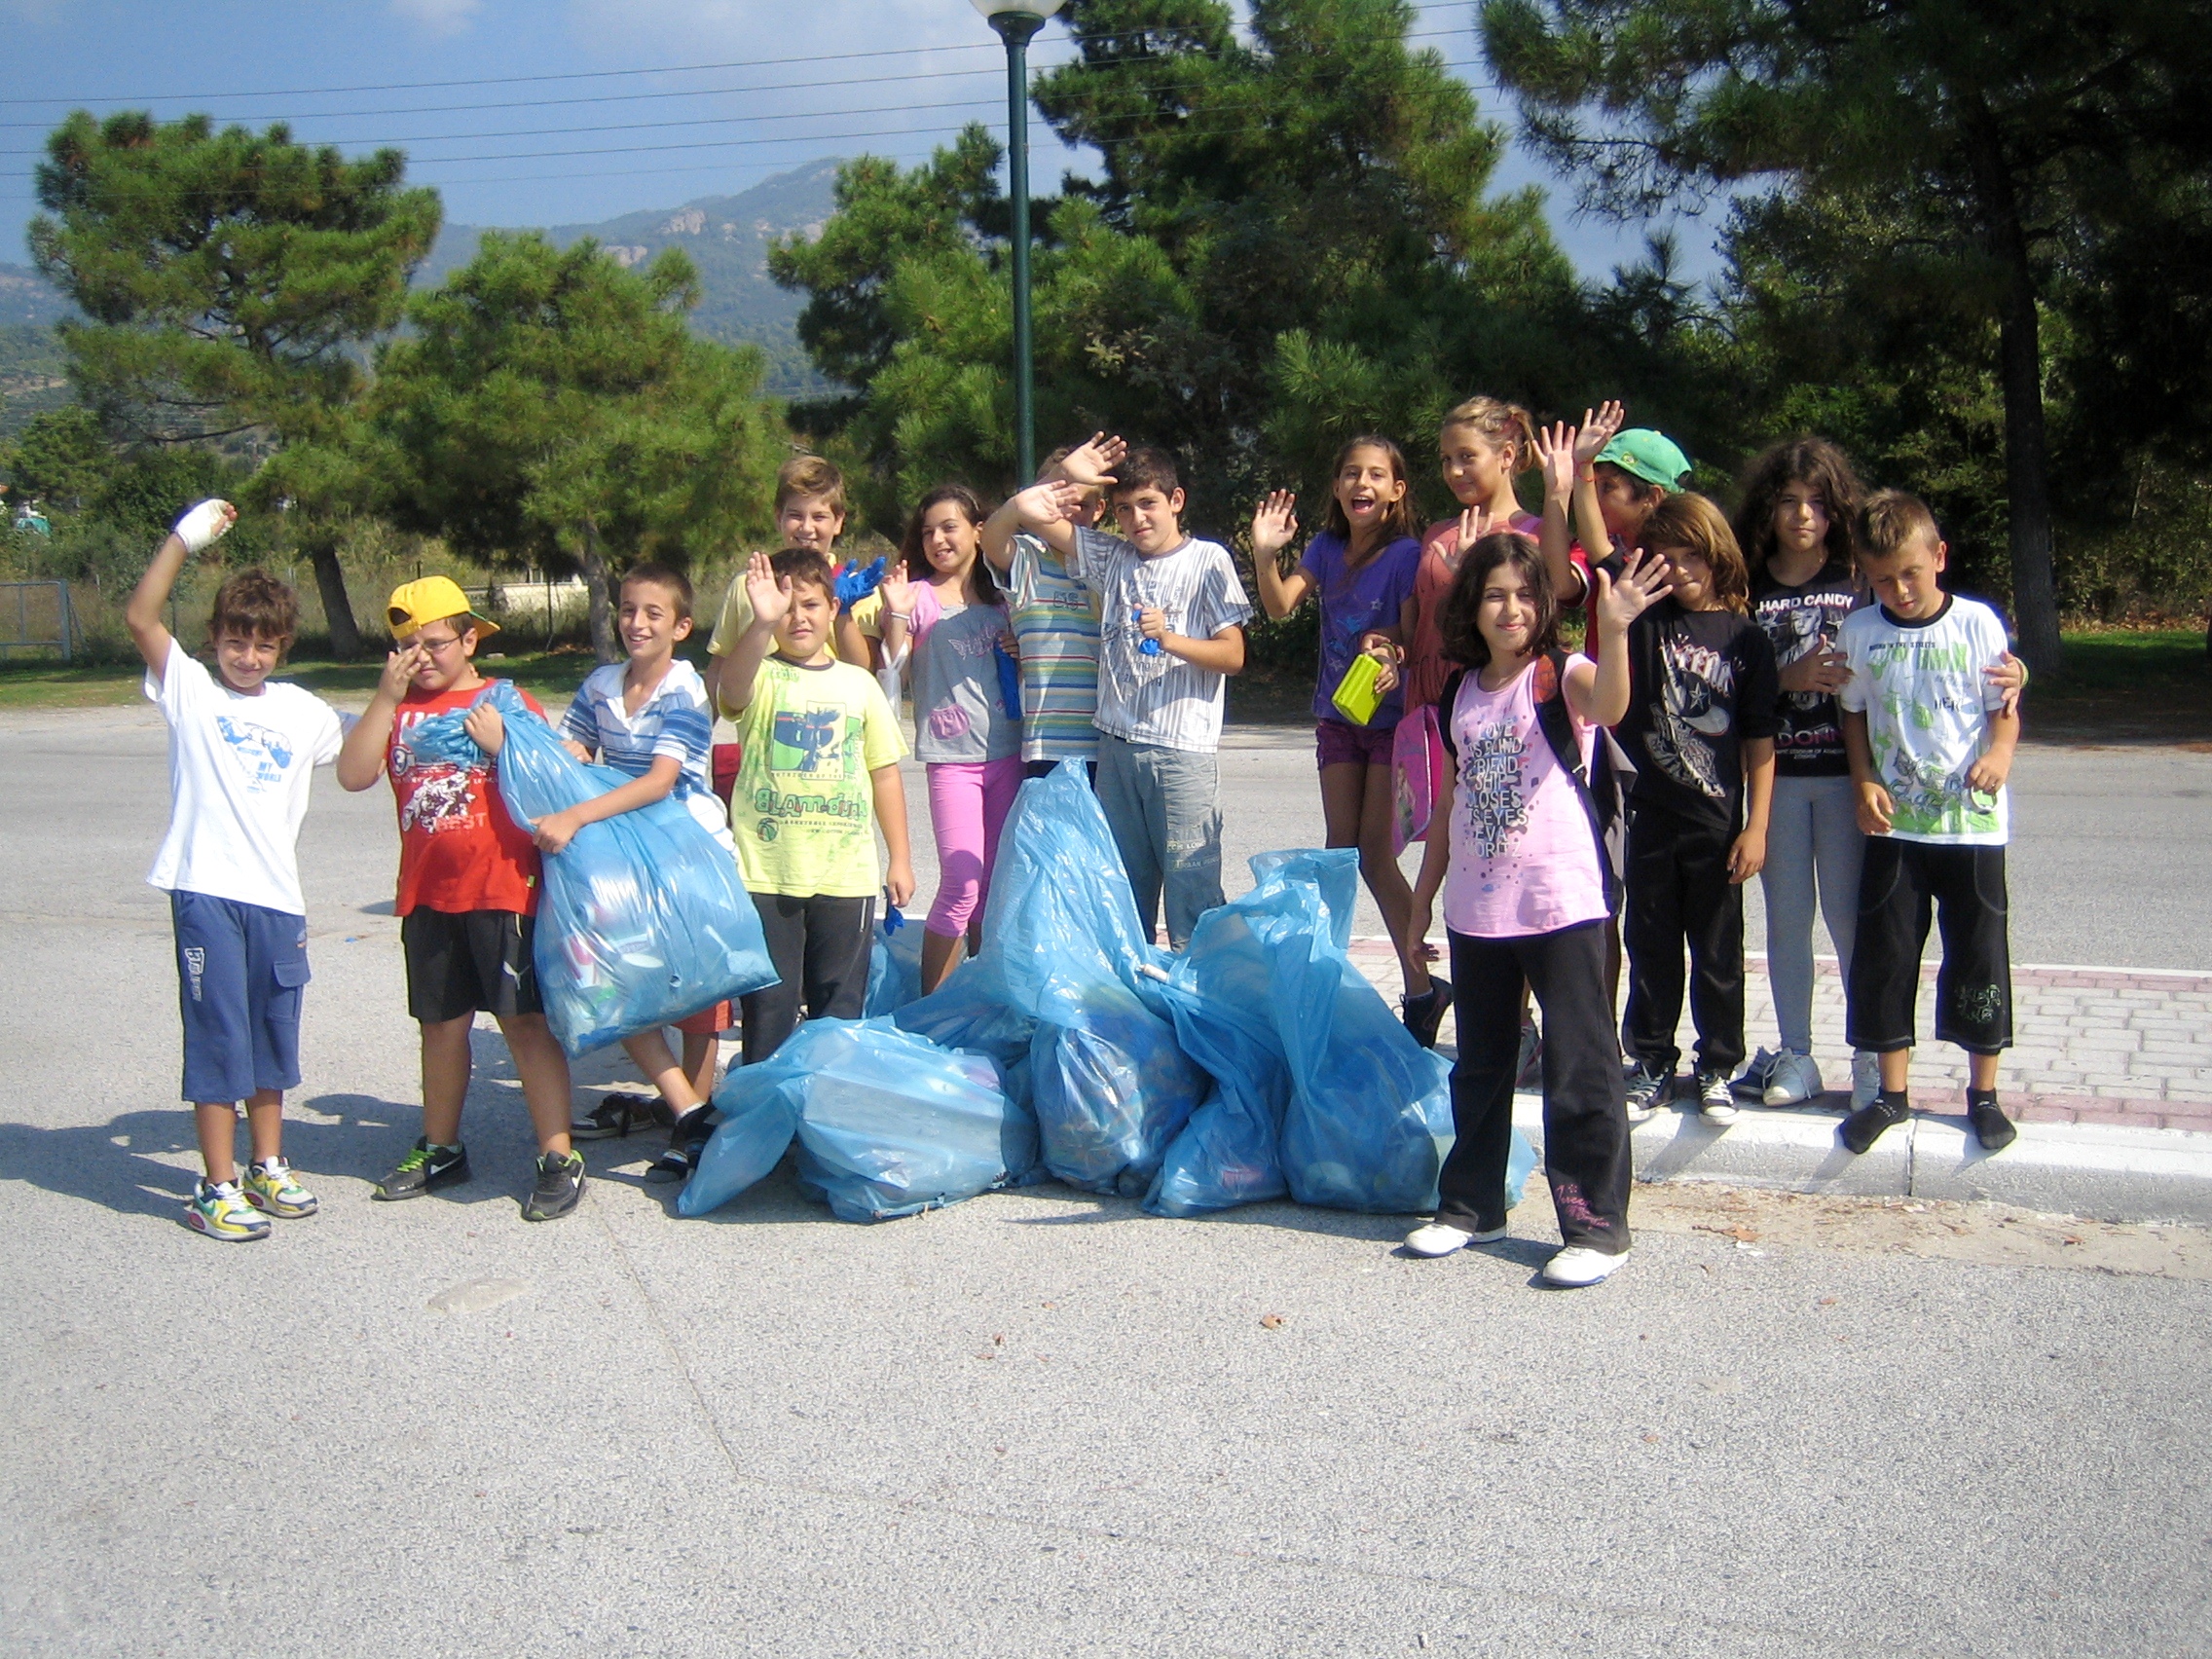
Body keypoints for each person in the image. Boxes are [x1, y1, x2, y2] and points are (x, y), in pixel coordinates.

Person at [1402, 531, 1671, 1287]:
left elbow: (1613, 703)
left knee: (1580, 1067)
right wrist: (1421, 904)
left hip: (1562, 901)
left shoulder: (1562, 676)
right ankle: (1471, 1207)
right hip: (1478, 908)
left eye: (1525, 594)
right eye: (1495, 595)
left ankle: (1595, 1227)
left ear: (1543, 606)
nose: (1511, 608)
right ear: (1472, 608)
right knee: (1480, 1064)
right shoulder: (1458, 692)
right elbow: (1450, 806)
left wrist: (1613, 630)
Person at [334, 577, 586, 1223]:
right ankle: (442, 1146)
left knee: (523, 1024)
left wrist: (507, 742)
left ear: (471, 638)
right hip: (427, 894)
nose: (422, 656)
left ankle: (558, 1155)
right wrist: (385, 698)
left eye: (436, 642)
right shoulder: (400, 707)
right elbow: (354, 774)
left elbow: (556, 775)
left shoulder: (502, 698)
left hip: (503, 888)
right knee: (440, 1025)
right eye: (407, 646)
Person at [127, 499, 346, 1242]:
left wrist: (395, 690)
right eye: (233, 642)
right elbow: (141, 617)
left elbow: (355, 762)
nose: (246, 657)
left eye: (262, 646)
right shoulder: (190, 691)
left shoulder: (302, 710)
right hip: (209, 893)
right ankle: (214, 1185)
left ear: (282, 647)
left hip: (277, 899)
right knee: (221, 1035)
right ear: (214, 640)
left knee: (272, 1034)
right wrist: (184, 537)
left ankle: (267, 1162)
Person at [1835, 492, 2023, 1156]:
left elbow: (2005, 705)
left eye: (1910, 573)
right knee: (1886, 958)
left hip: (1970, 829)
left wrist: (2000, 754)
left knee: (1978, 957)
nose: (1899, 589)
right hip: (1896, 831)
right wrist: (1863, 779)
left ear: (1938, 557)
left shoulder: (1977, 624)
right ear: (1865, 575)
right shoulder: (1860, 631)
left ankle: (1984, 1094)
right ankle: (1891, 1094)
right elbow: (1852, 714)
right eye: (1883, 578)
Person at [1010, 446, 1252, 949]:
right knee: (1123, 899)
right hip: (1116, 748)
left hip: (1181, 752)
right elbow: (1030, 510)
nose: (1137, 519)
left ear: (1176, 500)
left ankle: (1201, 1011)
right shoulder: (1111, 557)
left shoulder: (1209, 560)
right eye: (1123, 509)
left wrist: (1171, 640)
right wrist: (1068, 476)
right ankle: (1135, 1011)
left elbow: (1233, 655)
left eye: (1147, 504)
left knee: (1193, 901)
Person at [544, 563, 735, 1172]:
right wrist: (557, 752)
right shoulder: (600, 683)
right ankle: (687, 1111)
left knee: (698, 990)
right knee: (619, 982)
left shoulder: (686, 688)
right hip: (622, 857)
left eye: (653, 613)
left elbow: (659, 781)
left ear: (681, 626)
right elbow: (570, 747)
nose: (637, 623)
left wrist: (575, 815)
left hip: (686, 853)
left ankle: (695, 1113)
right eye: (628, 609)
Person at [719, 548, 915, 1085]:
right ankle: (764, 1125)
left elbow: (885, 773)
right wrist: (759, 623)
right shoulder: (759, 675)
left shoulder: (859, 684)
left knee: (839, 1009)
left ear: (833, 608)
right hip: (767, 873)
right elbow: (730, 692)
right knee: (769, 1012)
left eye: (809, 604)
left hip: (844, 877)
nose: (797, 618)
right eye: (784, 607)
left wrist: (900, 857)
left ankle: (826, 1117)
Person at [1614, 493, 1780, 1125]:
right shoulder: (1644, 625)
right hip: (1651, 817)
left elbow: (1760, 743)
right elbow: (1602, 552)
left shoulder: (1747, 641)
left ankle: (1717, 1067)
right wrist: (1572, 481)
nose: (1681, 571)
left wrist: (1757, 826)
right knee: (1650, 944)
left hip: (1719, 828)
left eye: (1693, 558)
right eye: (1667, 559)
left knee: (1718, 953)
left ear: (1718, 557)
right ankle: (1652, 1062)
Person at [1250, 434, 1425, 1013]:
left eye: (1376, 475)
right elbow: (1279, 606)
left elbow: (1411, 633)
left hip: (1389, 721)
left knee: (1375, 855)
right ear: (1337, 487)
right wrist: (1264, 554)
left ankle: (1421, 985)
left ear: (1397, 491)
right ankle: (1322, 986)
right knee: (1337, 853)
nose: (1362, 484)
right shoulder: (1325, 547)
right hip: (1336, 717)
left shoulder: (1405, 555)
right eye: (1351, 473)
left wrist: (1389, 654)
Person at [1731, 437, 1878, 1110]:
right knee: (1788, 923)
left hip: (1847, 775)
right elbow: (1728, 684)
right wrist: (1787, 678)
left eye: (1817, 503)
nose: (1802, 516)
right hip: (1779, 778)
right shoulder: (1749, 586)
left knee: (1850, 922)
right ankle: (1796, 1053)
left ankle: (1872, 1053)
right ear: (1769, 509)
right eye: (1789, 502)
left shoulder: (1859, 577)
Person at [874, 487, 1024, 993]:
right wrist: (895, 615)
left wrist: (1018, 649)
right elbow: (891, 666)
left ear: (979, 531)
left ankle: (978, 999)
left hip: (1008, 754)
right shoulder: (917, 597)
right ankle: (931, 1010)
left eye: (949, 527)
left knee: (991, 890)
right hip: (951, 762)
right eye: (928, 531)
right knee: (961, 882)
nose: (937, 539)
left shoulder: (1005, 598)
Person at [979, 434, 1121, 782]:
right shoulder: (1028, 558)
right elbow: (991, 538)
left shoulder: (1114, 560)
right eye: (1060, 500)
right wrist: (1055, 476)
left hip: (1115, 739)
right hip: (1051, 745)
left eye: (1082, 504)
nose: (1070, 511)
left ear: (1099, 509)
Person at [704, 454, 856, 772]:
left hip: (834, 755)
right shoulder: (748, 586)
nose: (807, 528)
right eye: (795, 515)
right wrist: (696, 738)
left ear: (839, 520)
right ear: (778, 517)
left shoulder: (856, 590)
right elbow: (719, 670)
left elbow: (865, 674)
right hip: (760, 757)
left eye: (820, 516)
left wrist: (846, 613)